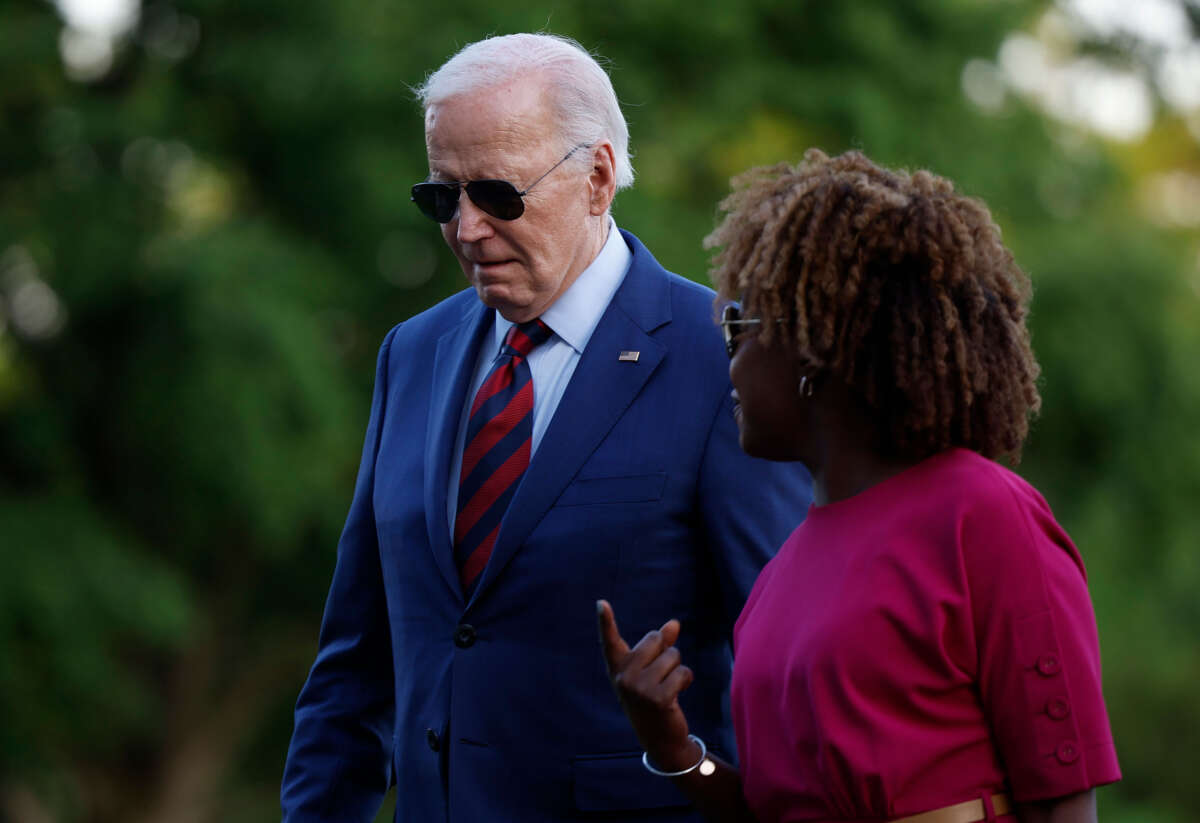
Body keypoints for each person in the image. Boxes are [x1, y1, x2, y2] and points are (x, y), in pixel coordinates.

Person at [280, 33, 812, 823]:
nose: (465, 229)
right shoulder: (412, 354)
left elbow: (793, 663)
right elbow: (356, 670)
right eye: (441, 198)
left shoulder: (724, 356)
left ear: (597, 177)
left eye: (497, 194)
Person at [599, 149, 1121, 823]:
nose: (726, 361)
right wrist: (676, 749)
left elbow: (1063, 797)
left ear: (814, 346)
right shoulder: (779, 574)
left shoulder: (984, 515)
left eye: (738, 329)